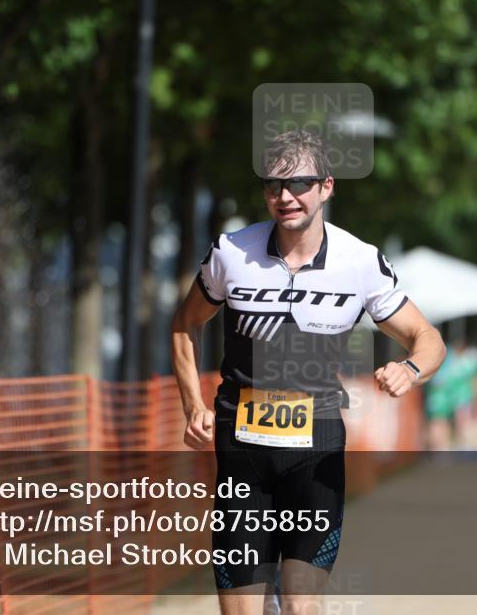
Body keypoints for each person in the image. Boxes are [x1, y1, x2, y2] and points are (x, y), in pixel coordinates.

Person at [171, 130, 445, 615]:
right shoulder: (231, 253)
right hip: (243, 457)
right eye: (273, 185)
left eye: (299, 183)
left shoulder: (360, 263)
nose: (285, 197)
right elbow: (185, 323)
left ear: (327, 186)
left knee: (301, 605)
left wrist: (409, 368)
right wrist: (193, 404)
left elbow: (429, 339)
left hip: (314, 455)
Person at [425, 339, 477, 450]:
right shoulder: (450, 358)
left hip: (449, 398)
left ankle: (445, 448)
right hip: (442, 397)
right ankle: (442, 448)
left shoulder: (451, 358)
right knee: (439, 424)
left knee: (442, 423)